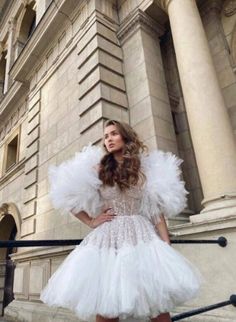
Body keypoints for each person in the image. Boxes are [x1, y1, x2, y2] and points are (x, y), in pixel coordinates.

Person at [40, 119, 201, 322]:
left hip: (141, 237)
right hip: (109, 239)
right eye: (106, 136)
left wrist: (165, 242)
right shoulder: (99, 168)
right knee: (108, 306)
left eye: (114, 133)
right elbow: (65, 193)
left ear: (125, 136)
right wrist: (91, 221)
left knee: (157, 304)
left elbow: (155, 210)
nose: (109, 139)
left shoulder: (143, 168)